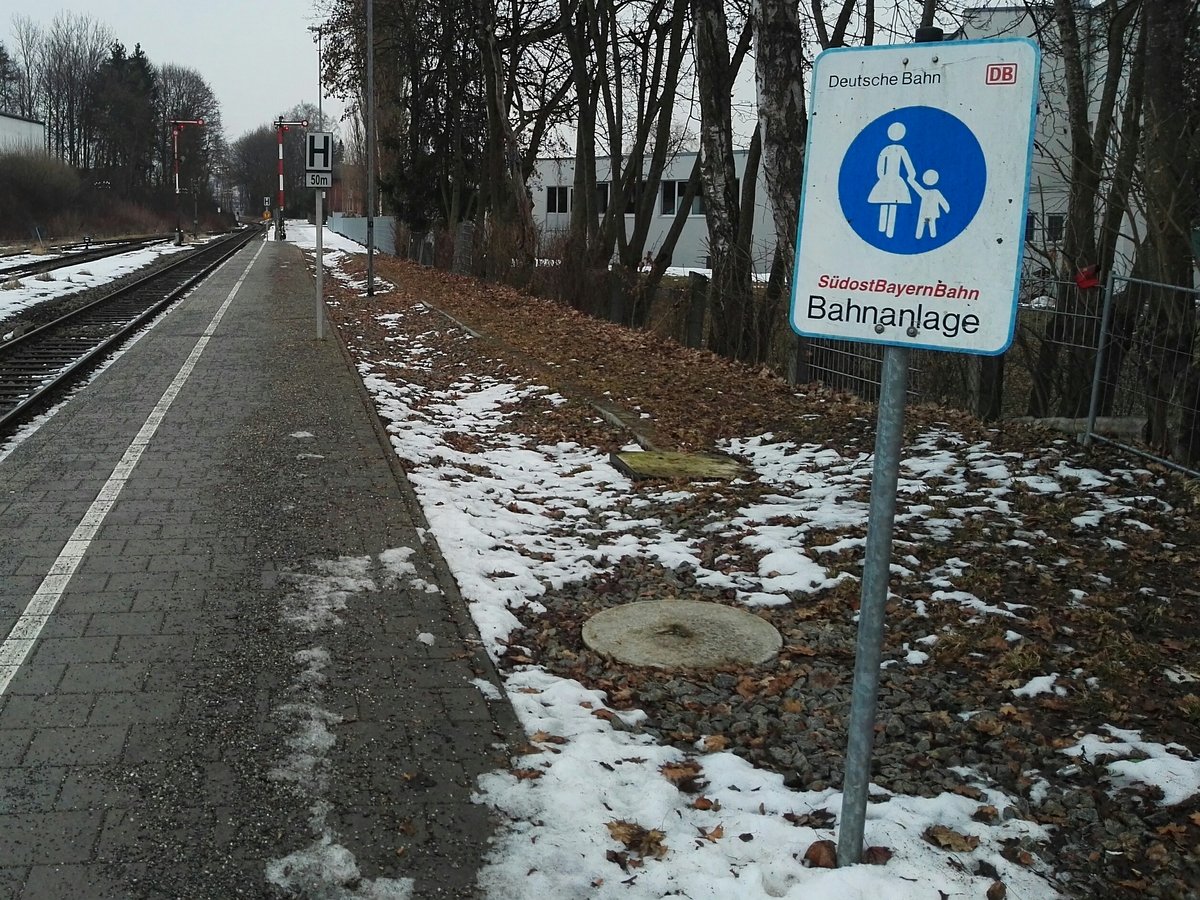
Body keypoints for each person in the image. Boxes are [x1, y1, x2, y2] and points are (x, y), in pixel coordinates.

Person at [867, 121, 917, 239]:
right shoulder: (900, 150)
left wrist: (882, 177)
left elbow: (880, 167)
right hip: (895, 180)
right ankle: (888, 230)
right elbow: (909, 166)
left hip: (886, 179)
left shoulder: (885, 150)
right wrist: (911, 175)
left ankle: (883, 228)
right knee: (893, 203)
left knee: (886, 202)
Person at [907, 169, 950, 240]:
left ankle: (925, 236)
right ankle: (924, 236)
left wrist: (911, 180)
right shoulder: (931, 192)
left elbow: (942, 201)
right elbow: (943, 201)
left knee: (928, 223)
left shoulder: (927, 192)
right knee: (928, 223)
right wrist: (946, 209)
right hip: (929, 213)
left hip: (926, 213)